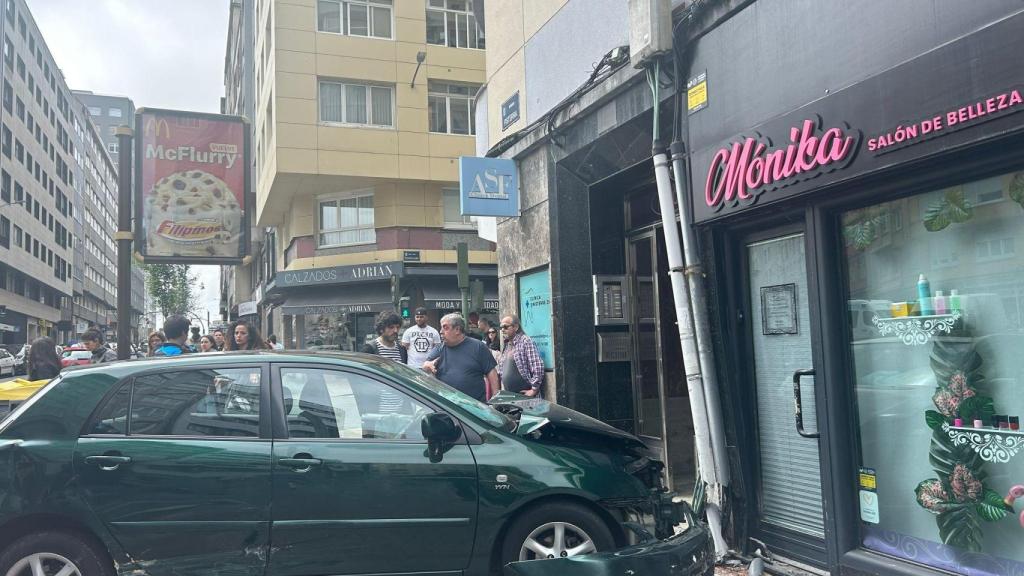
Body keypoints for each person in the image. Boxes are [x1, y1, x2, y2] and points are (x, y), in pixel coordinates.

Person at [423, 313, 498, 401]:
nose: (441, 331)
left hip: (474, 407)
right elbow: (426, 364)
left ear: (457, 329)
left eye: (445, 327)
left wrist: (495, 398)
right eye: (441, 327)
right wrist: (427, 365)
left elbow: (491, 372)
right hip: (446, 406)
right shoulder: (439, 348)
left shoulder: (478, 347)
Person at [497, 314, 545, 397]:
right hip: (510, 396)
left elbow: (537, 365)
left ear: (515, 327)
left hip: (525, 397)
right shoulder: (507, 345)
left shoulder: (525, 341)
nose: (502, 330)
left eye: (505, 327)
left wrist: (534, 389)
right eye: (501, 327)